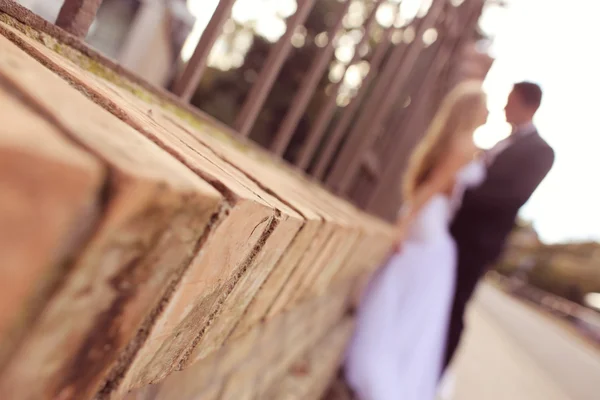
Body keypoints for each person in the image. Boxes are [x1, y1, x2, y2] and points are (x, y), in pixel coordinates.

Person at [344, 80, 489, 400]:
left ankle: (384, 354)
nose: (488, 112)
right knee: (415, 310)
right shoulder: (464, 146)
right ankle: (390, 368)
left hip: (430, 219)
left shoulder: (451, 141)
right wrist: (403, 223)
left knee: (403, 293)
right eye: (484, 106)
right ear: (471, 111)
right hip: (431, 224)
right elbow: (433, 187)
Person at [443, 81, 555, 370]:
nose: (505, 106)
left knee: (453, 309)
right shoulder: (505, 141)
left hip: (476, 242)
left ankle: (435, 374)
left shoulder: (541, 151)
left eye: (510, 100)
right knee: (439, 304)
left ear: (529, 106)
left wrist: (458, 192)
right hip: (455, 233)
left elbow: (511, 197)